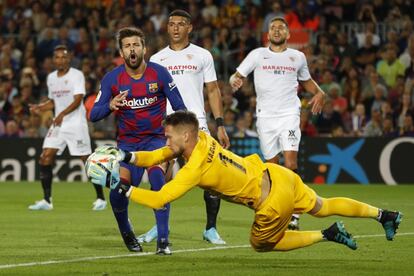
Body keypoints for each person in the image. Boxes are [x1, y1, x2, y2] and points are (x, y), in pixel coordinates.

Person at [90, 111, 402, 253]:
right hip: (277, 175)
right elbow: (158, 154)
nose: (165, 139)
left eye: (169, 135)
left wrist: (123, 187)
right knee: (323, 204)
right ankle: (384, 215)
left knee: (262, 244)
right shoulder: (203, 137)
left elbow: (159, 199)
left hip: (270, 202)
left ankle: (326, 235)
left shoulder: (194, 167)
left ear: (184, 135)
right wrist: (126, 156)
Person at [89, 27, 186, 255]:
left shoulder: (159, 73)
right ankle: (127, 233)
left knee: (157, 182)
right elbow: (93, 114)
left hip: (155, 142)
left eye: (135, 45)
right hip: (127, 146)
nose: (132, 49)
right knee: (118, 190)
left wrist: (175, 137)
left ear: (144, 48)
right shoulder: (112, 79)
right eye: (127, 46)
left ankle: (163, 241)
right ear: (121, 52)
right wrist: (110, 105)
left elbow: (180, 106)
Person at [229, 17, 325, 230]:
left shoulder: (297, 57)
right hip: (265, 118)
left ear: (288, 34)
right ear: (268, 34)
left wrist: (320, 92)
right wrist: (234, 80)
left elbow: (307, 81)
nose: (277, 30)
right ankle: (279, 209)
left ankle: (295, 213)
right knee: (272, 168)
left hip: (289, 114)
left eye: (281, 27)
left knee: (290, 164)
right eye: (273, 27)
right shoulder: (257, 55)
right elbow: (236, 76)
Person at [145, 9, 230, 245]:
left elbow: (212, 90)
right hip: (168, 125)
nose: (175, 28)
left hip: (197, 124)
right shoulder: (156, 59)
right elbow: (153, 96)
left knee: (211, 177)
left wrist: (220, 124)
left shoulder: (202, 55)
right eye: (171, 24)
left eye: (180, 24)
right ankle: (159, 226)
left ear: (189, 28)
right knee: (159, 174)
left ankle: (210, 229)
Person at [28, 45, 107, 211]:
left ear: (69, 58)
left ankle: (101, 198)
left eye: (63, 57)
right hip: (59, 124)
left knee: (86, 161)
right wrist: (40, 107)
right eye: (57, 57)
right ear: (53, 60)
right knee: (45, 157)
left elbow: (78, 99)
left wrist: (62, 114)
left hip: (76, 124)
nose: (60, 60)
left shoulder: (76, 75)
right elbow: (53, 101)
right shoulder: (51, 78)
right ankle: (47, 201)